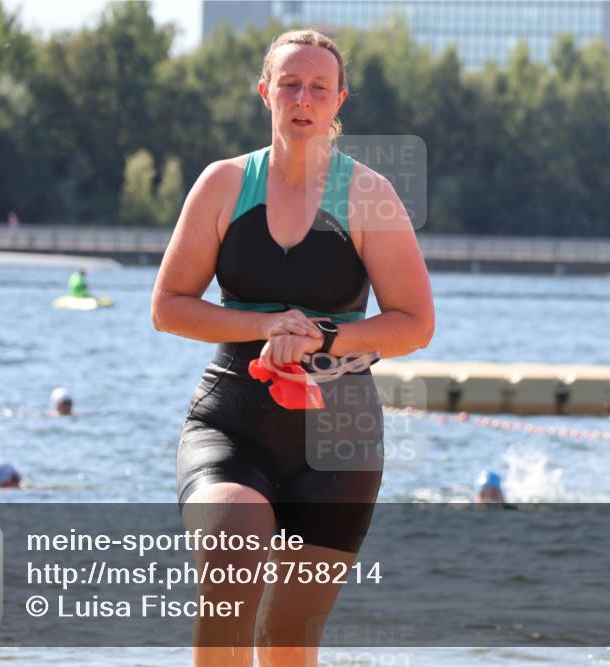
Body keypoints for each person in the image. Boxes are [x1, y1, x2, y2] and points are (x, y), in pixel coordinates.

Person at [150, 29, 434, 667]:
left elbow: (414, 322)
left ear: (339, 102)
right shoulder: (223, 185)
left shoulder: (369, 196)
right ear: (265, 93)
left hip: (341, 436)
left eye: (318, 88)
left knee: (289, 635)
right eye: (289, 84)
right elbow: (168, 307)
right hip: (232, 419)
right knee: (231, 564)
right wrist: (269, 327)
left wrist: (326, 336)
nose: (302, 98)